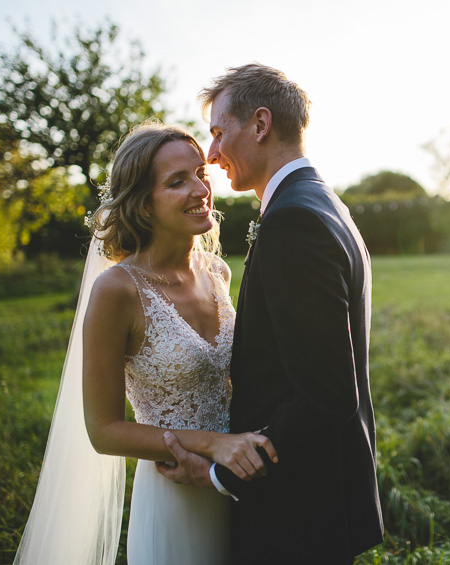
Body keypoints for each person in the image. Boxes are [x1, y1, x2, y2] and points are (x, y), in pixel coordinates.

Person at [13, 123, 276, 565]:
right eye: (177, 182)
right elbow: (103, 431)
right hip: (174, 495)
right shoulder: (117, 290)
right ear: (143, 204)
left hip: (232, 482)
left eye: (200, 174)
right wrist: (212, 444)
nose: (200, 189)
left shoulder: (216, 272)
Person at [157, 63, 384, 564]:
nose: (211, 155)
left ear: (260, 125)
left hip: (297, 509)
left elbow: (326, 395)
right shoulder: (322, 202)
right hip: (321, 497)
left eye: (219, 133)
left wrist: (220, 472)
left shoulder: (293, 221)